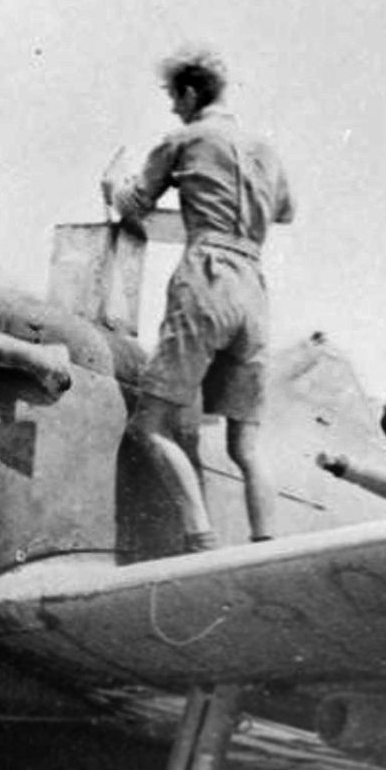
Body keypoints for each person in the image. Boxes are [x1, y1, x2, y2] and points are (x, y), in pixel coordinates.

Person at [107, 45, 295, 552]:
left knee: (149, 426)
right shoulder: (265, 148)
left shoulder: (185, 138)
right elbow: (285, 212)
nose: (172, 106)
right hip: (253, 286)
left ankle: (201, 539)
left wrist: (114, 187)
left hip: (206, 277)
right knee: (246, 445)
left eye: (174, 96)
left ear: (191, 92)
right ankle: (265, 548)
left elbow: (134, 202)